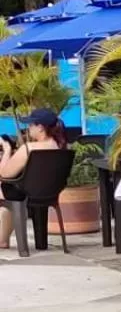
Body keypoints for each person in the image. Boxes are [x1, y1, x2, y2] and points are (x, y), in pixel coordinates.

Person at [0, 106, 67, 250]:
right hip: (50, 193)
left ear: (40, 127)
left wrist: (7, 150)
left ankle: (2, 239)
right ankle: (3, 239)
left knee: (4, 190)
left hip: (23, 194)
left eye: (31, 125)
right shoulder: (60, 148)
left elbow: (4, 173)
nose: (28, 128)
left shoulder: (29, 148)